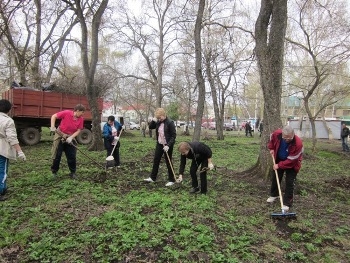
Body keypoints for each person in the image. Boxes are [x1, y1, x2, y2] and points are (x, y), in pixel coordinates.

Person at [266, 125, 303, 211]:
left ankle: (287, 203)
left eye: (288, 138)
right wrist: (271, 148)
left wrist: (279, 165)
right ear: (282, 134)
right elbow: (272, 138)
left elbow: (292, 160)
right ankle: (274, 195)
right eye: (284, 138)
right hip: (279, 159)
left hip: (293, 163)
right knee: (276, 177)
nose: (286, 140)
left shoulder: (298, 143)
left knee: (290, 182)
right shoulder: (277, 134)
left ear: (293, 135)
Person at [0, 99, 26, 201]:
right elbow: (12, 138)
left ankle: (3, 187)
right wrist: (19, 151)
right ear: (9, 109)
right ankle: (1, 191)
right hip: (2, 149)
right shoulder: (8, 121)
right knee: (2, 170)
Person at [50, 104, 85, 179]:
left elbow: (79, 130)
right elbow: (54, 116)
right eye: (82, 112)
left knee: (72, 156)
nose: (83, 114)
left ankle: (73, 172)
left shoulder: (81, 119)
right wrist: (52, 126)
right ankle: (54, 172)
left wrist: (71, 137)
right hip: (60, 135)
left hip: (70, 137)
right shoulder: (67, 113)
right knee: (57, 155)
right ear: (77, 111)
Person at [143, 108, 176, 186]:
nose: (159, 119)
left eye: (160, 117)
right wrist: (154, 120)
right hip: (160, 144)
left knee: (168, 161)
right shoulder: (158, 121)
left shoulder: (170, 122)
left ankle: (172, 180)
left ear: (164, 115)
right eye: (158, 118)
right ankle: (152, 178)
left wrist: (168, 145)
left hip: (167, 145)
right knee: (156, 160)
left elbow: (173, 136)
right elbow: (151, 127)